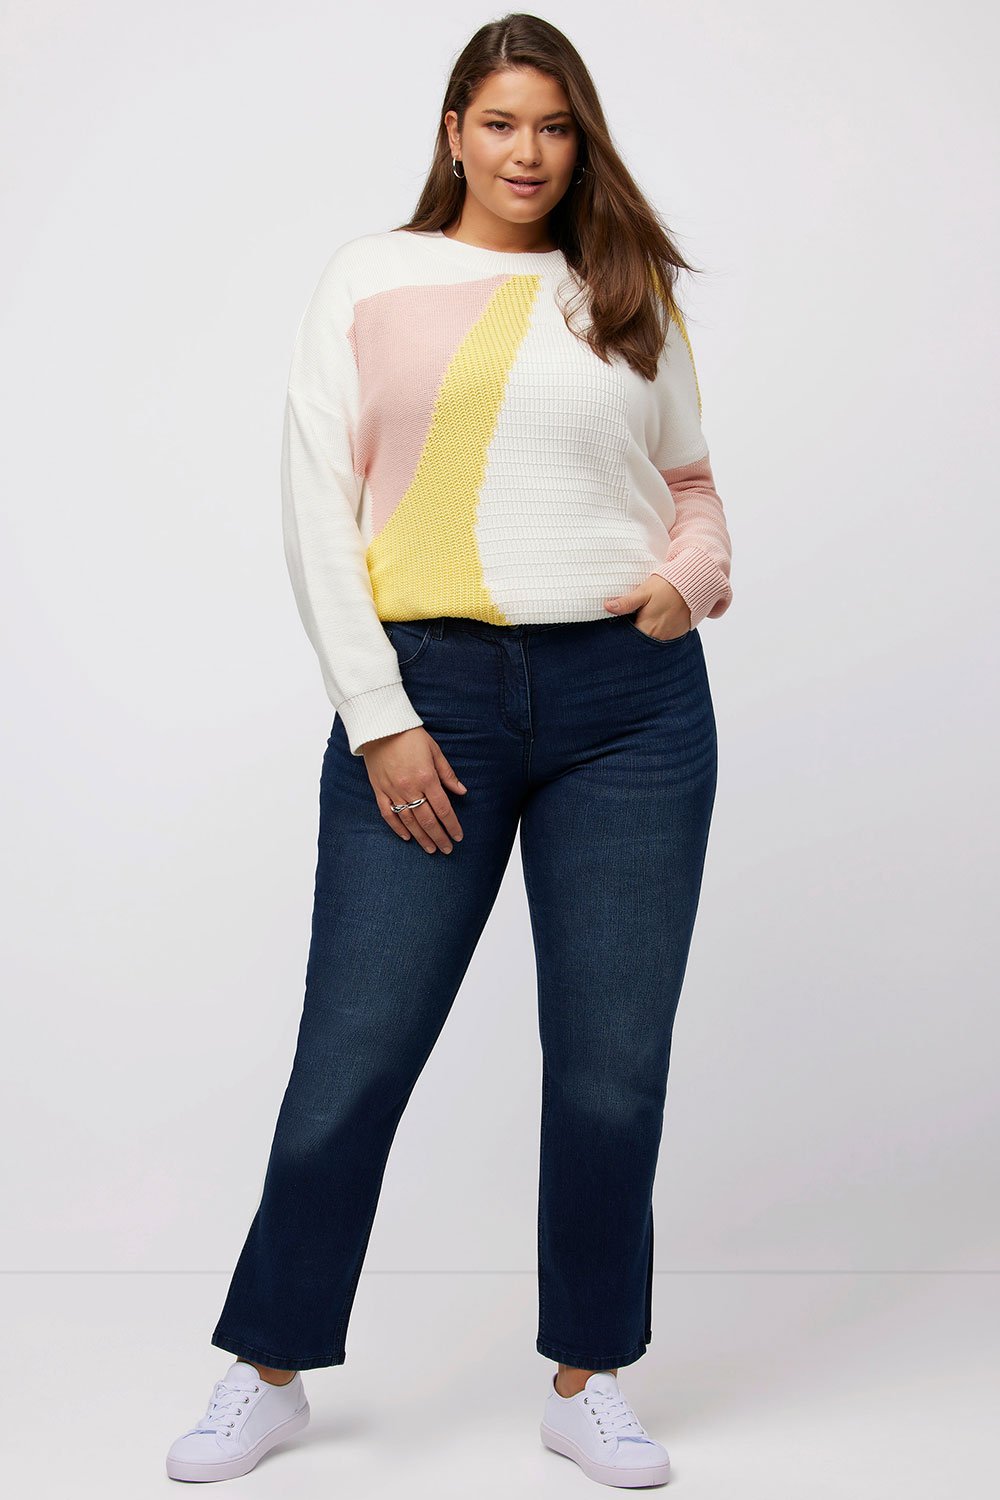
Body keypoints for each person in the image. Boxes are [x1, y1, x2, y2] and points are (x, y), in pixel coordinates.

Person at [165, 11, 733, 1489]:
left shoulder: (627, 286)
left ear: (580, 138)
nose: (527, 152)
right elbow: (315, 502)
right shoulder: (372, 277)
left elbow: (689, 484)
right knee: (352, 1057)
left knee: (611, 1071)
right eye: (500, 123)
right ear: (453, 132)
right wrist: (383, 717)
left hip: (633, 706)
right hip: (431, 697)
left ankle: (588, 1378)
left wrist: (689, 579)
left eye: (553, 125)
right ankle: (270, 1368)